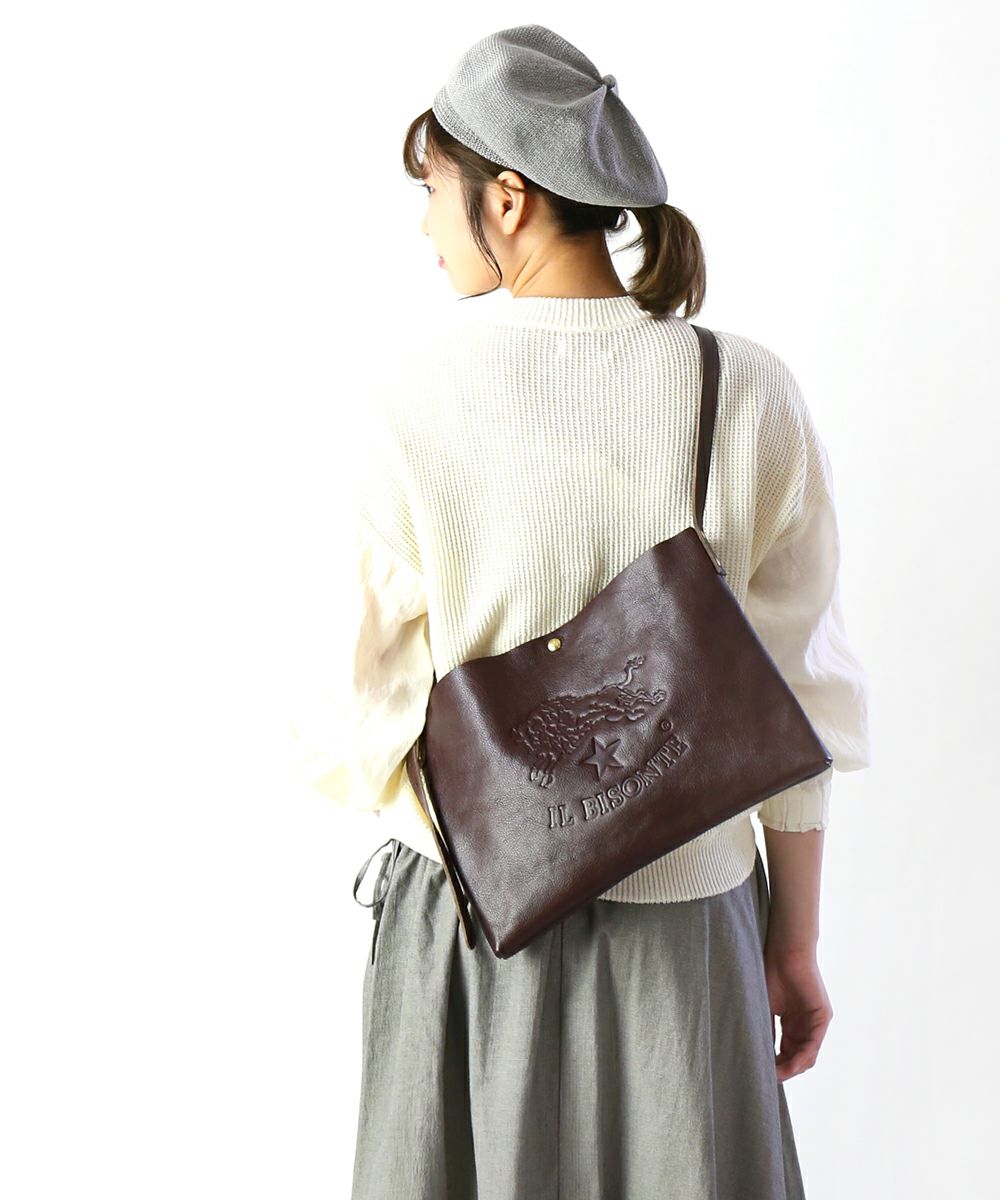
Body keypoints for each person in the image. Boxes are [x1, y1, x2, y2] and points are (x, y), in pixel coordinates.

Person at [289, 23, 871, 1200]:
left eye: (432, 192)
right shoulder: (744, 389)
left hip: (474, 929)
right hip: (689, 931)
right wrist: (793, 944)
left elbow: (357, 713)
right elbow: (801, 712)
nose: (423, 227)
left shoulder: (411, 399)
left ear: (506, 200)